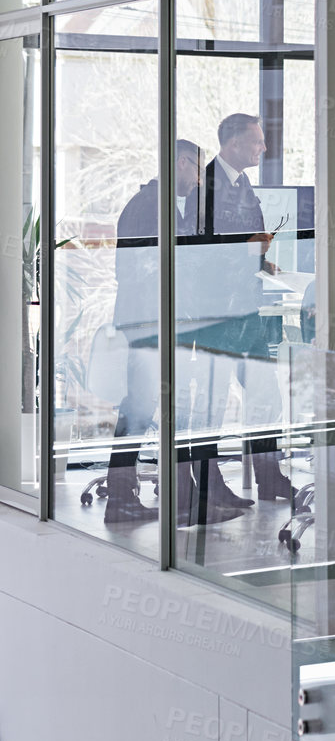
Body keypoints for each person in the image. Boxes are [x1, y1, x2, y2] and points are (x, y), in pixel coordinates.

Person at [105, 141, 238, 526]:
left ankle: (176, 494)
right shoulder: (151, 207)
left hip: (157, 323)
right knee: (140, 408)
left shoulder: (158, 203)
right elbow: (151, 268)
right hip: (151, 325)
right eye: (196, 170)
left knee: (153, 407)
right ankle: (123, 498)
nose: (199, 179)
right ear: (180, 164)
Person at [194, 113, 293, 507]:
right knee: (213, 402)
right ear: (233, 143)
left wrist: (259, 262)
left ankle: (269, 477)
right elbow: (198, 251)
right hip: (217, 314)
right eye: (257, 142)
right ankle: (208, 481)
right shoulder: (205, 186)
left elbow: (244, 241)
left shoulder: (244, 182)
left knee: (266, 394)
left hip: (247, 309)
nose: (263, 148)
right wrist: (247, 251)